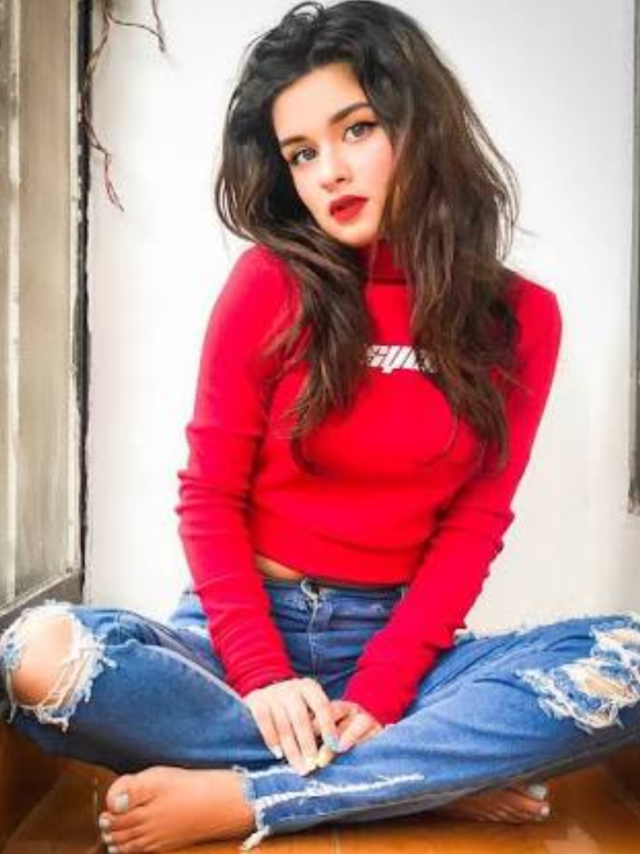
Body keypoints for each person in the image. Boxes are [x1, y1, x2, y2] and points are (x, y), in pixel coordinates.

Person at [1, 1, 639, 851]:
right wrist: (263, 673)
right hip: (236, 641)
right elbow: (209, 497)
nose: (329, 171)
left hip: (400, 649)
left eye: (357, 130)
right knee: (37, 654)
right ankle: (412, 779)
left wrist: (382, 691)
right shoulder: (269, 283)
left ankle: (259, 796)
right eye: (302, 153)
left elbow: (475, 525)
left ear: (423, 125)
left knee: (629, 660)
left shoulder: (522, 318)